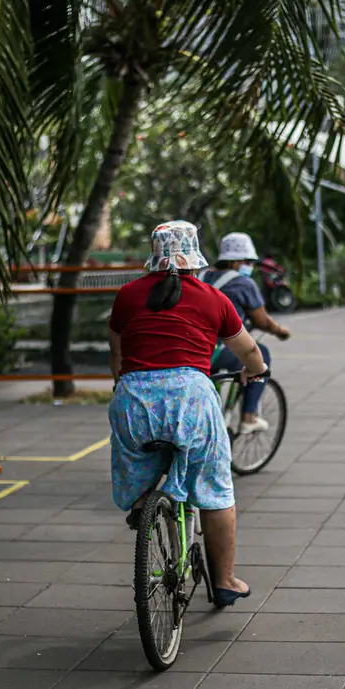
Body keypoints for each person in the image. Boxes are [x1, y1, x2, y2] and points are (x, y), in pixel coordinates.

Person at [107, 220, 268, 608]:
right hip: (190, 401)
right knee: (215, 490)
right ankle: (225, 580)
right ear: (196, 260)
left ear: (153, 258)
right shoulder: (212, 298)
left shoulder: (128, 295)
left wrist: (123, 386)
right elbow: (248, 351)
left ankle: (144, 504)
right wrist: (257, 370)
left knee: (140, 462)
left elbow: (117, 353)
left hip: (135, 399)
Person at [199, 232, 290, 433]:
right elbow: (262, 320)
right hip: (220, 351)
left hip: (195, 350)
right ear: (237, 261)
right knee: (260, 355)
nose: (250, 266)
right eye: (248, 261)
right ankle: (249, 416)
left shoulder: (200, 276)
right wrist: (280, 331)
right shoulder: (242, 283)